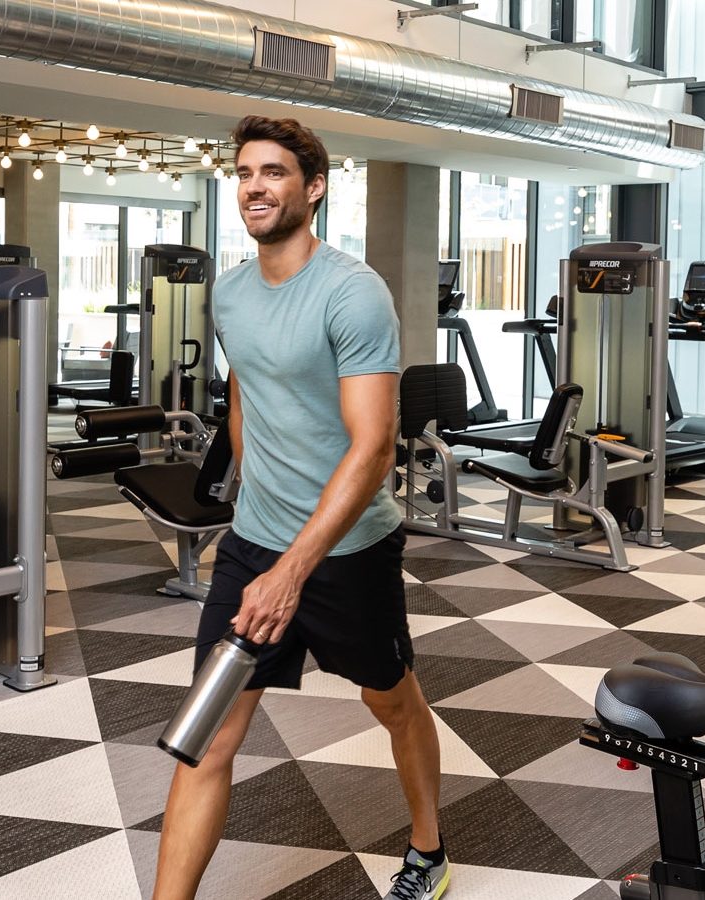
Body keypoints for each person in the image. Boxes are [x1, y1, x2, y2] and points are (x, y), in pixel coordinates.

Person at [149, 116, 447, 900]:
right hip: (253, 549)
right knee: (207, 738)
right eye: (245, 172)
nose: (255, 186)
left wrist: (292, 570)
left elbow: (373, 449)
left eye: (274, 172)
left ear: (313, 189)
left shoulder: (353, 293)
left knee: (393, 702)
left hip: (348, 554)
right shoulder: (231, 292)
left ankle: (428, 851)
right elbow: (246, 392)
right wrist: (257, 500)